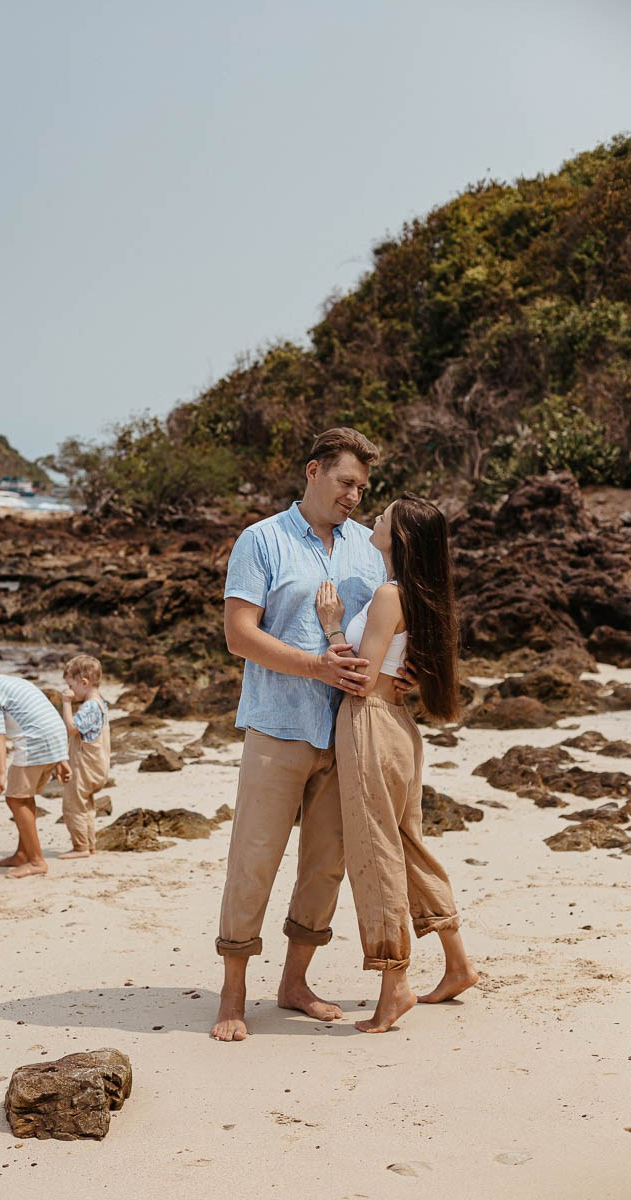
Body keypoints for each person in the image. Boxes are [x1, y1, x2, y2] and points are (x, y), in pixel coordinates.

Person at [211, 427, 390, 1043]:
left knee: (324, 867)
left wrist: (404, 671)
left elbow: (388, 625)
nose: (355, 497)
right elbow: (239, 634)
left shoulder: (371, 548)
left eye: (362, 488)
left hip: (348, 733)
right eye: (346, 483)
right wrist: (316, 664)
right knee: (253, 862)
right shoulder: (260, 541)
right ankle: (232, 994)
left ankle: (294, 983)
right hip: (278, 725)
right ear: (313, 472)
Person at [315, 494, 478, 1033]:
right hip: (398, 726)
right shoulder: (419, 595)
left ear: (400, 537)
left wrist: (333, 626)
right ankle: (457, 964)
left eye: (384, 516)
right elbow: (402, 666)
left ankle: (394, 983)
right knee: (404, 843)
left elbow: (360, 677)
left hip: (369, 722)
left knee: (376, 849)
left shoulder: (389, 594)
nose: (375, 518)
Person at [0, 648, 71, 879]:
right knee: (24, 796)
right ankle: (22, 854)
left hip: (35, 743)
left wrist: (0, 773)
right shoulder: (17, 683)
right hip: (54, 738)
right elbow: (47, 714)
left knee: (15, 798)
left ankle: (37, 861)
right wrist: (61, 758)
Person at [59, 654, 111, 859]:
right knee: (86, 804)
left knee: (73, 804)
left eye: (71, 685)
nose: (70, 690)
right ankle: (90, 845)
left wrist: (66, 703)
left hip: (85, 766)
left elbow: (72, 729)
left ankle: (80, 846)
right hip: (98, 765)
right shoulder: (101, 703)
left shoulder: (89, 706)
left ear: (84, 682)